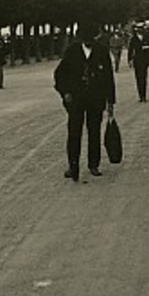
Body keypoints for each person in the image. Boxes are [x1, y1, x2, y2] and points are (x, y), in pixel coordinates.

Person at [53, 22, 116, 182]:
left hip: (96, 99)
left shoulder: (102, 51)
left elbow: (109, 77)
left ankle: (93, 164)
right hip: (76, 99)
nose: (88, 40)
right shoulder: (72, 52)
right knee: (74, 133)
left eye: (91, 37)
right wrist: (65, 92)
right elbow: (60, 74)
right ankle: (73, 166)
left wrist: (110, 101)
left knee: (94, 132)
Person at [128, 27, 149, 102]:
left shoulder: (147, 37)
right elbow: (130, 49)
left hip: (145, 60)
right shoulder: (133, 39)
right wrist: (129, 59)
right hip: (137, 60)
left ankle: (144, 94)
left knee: (144, 77)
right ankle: (141, 95)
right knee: (138, 77)